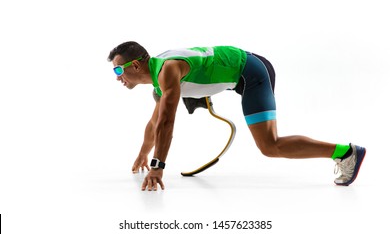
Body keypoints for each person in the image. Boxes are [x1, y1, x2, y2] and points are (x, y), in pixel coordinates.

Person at [107, 41, 366, 191]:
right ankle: (202, 95)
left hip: (250, 72)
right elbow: (155, 122)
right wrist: (143, 153)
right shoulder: (157, 80)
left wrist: (158, 166)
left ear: (136, 65)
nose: (117, 76)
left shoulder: (167, 71)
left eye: (118, 69)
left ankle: (346, 152)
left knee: (270, 146)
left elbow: (166, 122)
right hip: (234, 72)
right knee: (163, 106)